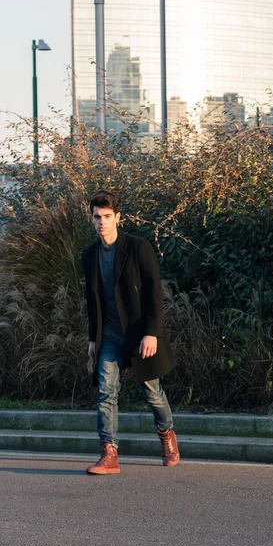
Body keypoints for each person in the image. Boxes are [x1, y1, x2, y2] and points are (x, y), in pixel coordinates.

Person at [82, 189, 179, 475]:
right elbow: (92, 300)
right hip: (109, 334)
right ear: (92, 219)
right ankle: (109, 453)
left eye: (108, 217)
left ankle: (167, 436)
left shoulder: (139, 248)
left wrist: (152, 333)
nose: (102, 222)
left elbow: (153, 294)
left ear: (118, 218)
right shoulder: (89, 256)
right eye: (97, 217)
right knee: (106, 391)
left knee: (151, 391)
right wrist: (92, 337)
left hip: (138, 332)